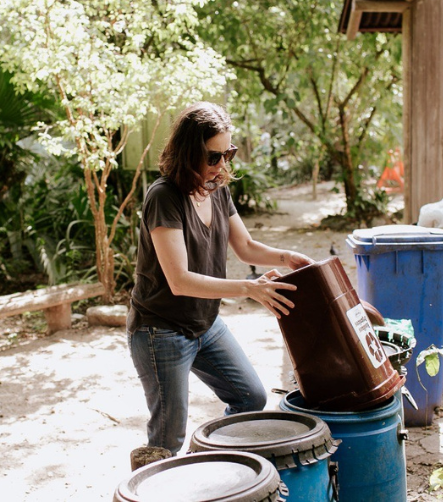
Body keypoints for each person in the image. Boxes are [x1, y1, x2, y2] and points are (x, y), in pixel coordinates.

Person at [127, 101, 314, 454]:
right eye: (214, 157)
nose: (222, 166)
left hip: (205, 324)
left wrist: (288, 257)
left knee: (250, 398)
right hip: (160, 330)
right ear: (188, 154)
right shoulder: (164, 196)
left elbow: (245, 246)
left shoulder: (217, 187)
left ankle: (208, 466)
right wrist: (249, 288)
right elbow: (179, 280)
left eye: (228, 154)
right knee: (167, 439)